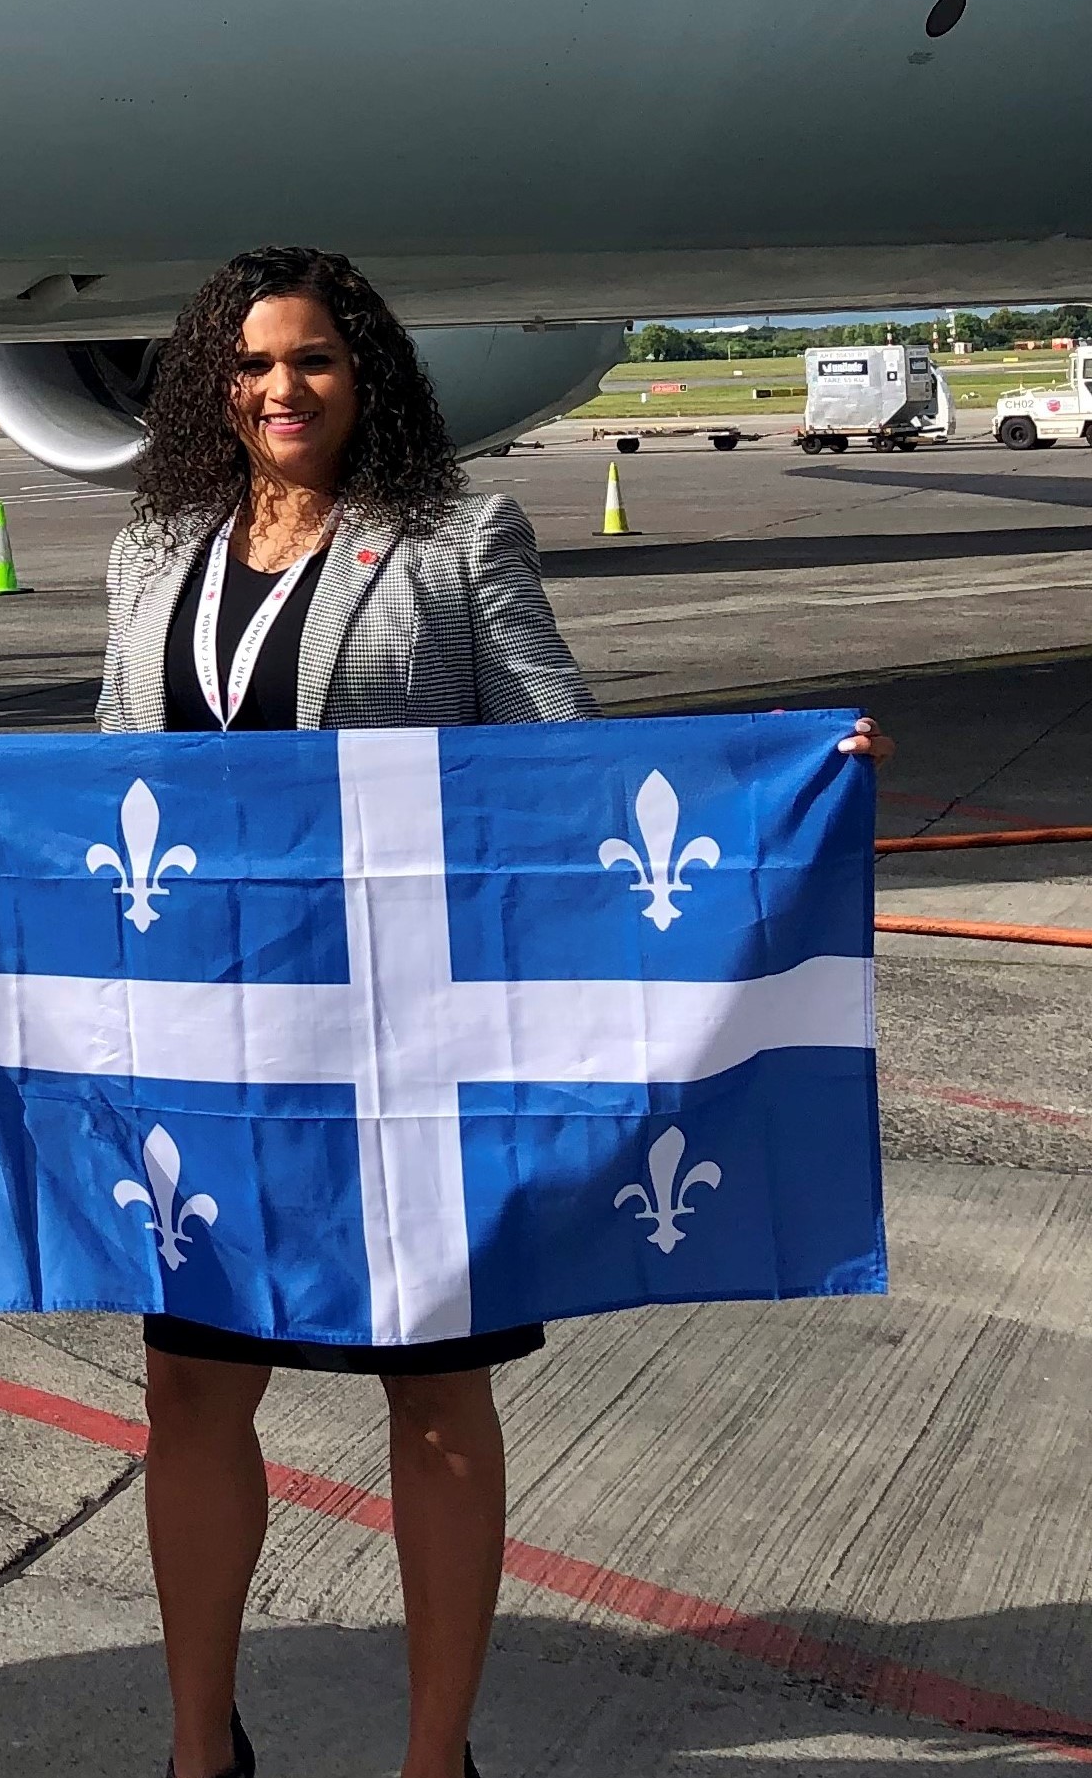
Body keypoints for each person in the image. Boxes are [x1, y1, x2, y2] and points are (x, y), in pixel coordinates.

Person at [77, 245, 888, 1778]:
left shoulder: (451, 537)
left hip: (404, 1042)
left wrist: (784, 767)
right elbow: (109, 779)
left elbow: (564, 764)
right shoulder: (155, 549)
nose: (280, 388)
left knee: (435, 1398)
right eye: (250, 364)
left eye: (311, 357)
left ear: (363, 369)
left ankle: (434, 1758)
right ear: (212, 383)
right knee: (190, 1389)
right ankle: (199, 1752)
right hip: (213, 1039)